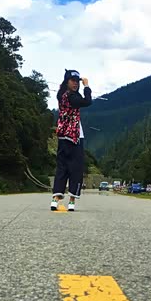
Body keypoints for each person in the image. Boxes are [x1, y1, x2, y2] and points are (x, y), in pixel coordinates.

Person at [52, 69, 92, 212]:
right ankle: (72, 201)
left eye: (77, 81)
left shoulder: (61, 94)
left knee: (62, 167)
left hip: (62, 134)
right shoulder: (72, 97)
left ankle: (55, 199)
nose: (75, 84)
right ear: (67, 81)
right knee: (76, 168)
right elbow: (87, 101)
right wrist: (86, 86)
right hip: (75, 136)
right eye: (72, 81)